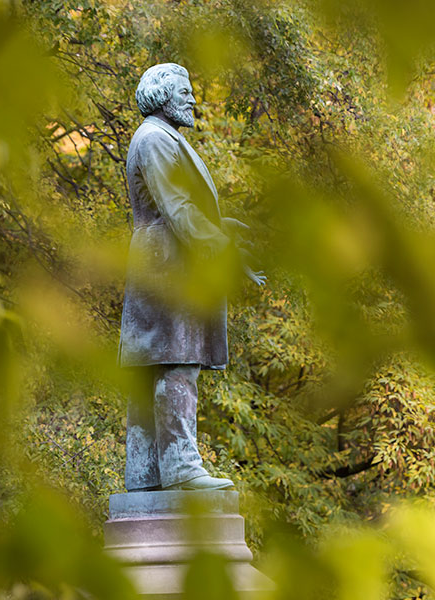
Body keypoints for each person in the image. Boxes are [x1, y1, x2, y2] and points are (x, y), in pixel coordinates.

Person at [119, 63, 265, 492]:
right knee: (176, 362)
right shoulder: (156, 139)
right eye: (184, 91)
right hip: (169, 266)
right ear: (161, 95)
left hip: (160, 260)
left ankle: (144, 474)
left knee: (156, 364)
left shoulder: (159, 138)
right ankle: (181, 467)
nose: (192, 99)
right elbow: (178, 208)